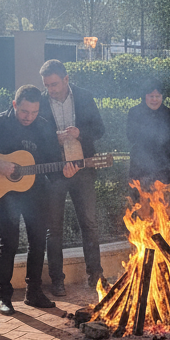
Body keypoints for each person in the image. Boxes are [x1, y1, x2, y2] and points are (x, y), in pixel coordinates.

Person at [0, 85, 73, 314]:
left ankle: (33, 292)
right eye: (24, 111)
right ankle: (3, 296)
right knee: (9, 244)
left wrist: (65, 171)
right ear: (15, 105)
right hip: (3, 192)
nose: (29, 117)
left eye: (33, 112)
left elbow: (53, 163)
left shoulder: (43, 126)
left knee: (37, 242)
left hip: (35, 193)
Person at [38, 60, 106, 292]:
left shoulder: (84, 96)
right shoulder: (40, 99)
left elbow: (100, 129)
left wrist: (81, 133)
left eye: (55, 84)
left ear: (66, 79)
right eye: (47, 85)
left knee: (89, 223)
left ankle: (95, 276)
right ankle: (58, 280)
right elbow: (34, 135)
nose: (51, 90)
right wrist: (52, 140)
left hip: (84, 168)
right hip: (55, 171)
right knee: (53, 228)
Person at [126, 82, 170, 188]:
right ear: (145, 97)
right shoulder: (134, 112)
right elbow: (130, 136)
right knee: (139, 198)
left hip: (164, 165)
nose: (155, 100)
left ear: (162, 97)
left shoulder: (169, 114)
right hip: (140, 163)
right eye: (151, 96)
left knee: (162, 199)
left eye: (158, 96)